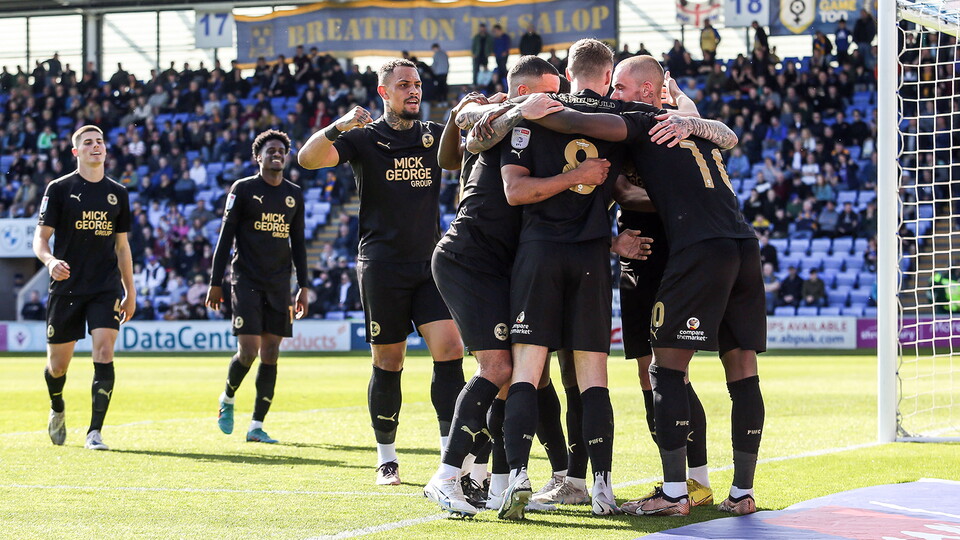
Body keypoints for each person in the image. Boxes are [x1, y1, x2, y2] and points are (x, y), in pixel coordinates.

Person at [534, 56, 762, 517]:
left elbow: (577, 122)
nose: (612, 95)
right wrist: (682, 105)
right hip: (741, 243)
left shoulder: (641, 119)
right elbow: (721, 131)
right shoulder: (691, 125)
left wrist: (534, 109)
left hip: (694, 247)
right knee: (742, 370)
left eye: (619, 87)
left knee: (665, 370)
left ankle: (676, 493)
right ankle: (741, 493)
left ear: (644, 91)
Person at [297, 59, 466, 486]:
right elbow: (307, 159)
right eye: (403, 84)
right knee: (389, 360)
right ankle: (386, 458)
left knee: (450, 350)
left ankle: (450, 458)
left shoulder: (434, 135)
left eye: (417, 84)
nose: (414, 90)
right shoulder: (363, 138)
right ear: (383, 92)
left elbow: (467, 155)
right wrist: (338, 125)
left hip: (430, 264)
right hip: (381, 266)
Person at [424, 57, 567, 517]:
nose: (558, 101)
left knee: (522, 374)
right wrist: (517, 109)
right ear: (525, 91)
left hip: (499, 265)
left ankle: (499, 483)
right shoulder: (495, 115)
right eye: (550, 92)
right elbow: (467, 121)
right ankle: (447, 476)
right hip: (468, 257)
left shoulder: (527, 128)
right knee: (498, 367)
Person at [35, 125, 136, 451]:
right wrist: (50, 261)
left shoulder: (118, 192)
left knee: (104, 351)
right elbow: (40, 238)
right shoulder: (59, 188)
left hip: (105, 287)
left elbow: (122, 246)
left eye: (100, 142)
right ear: (76, 152)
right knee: (58, 366)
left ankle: (95, 432)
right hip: (67, 287)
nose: (96, 146)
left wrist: (130, 291)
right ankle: (57, 406)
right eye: (88, 142)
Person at [207, 129, 310, 445]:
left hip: (279, 284)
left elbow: (299, 244)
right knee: (248, 350)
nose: (276, 154)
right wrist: (215, 282)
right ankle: (227, 398)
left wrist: (303, 286)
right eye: (270, 150)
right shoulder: (243, 189)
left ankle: (256, 426)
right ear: (258, 157)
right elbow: (225, 238)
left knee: (271, 353)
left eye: (281, 150)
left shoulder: (294, 194)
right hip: (246, 281)